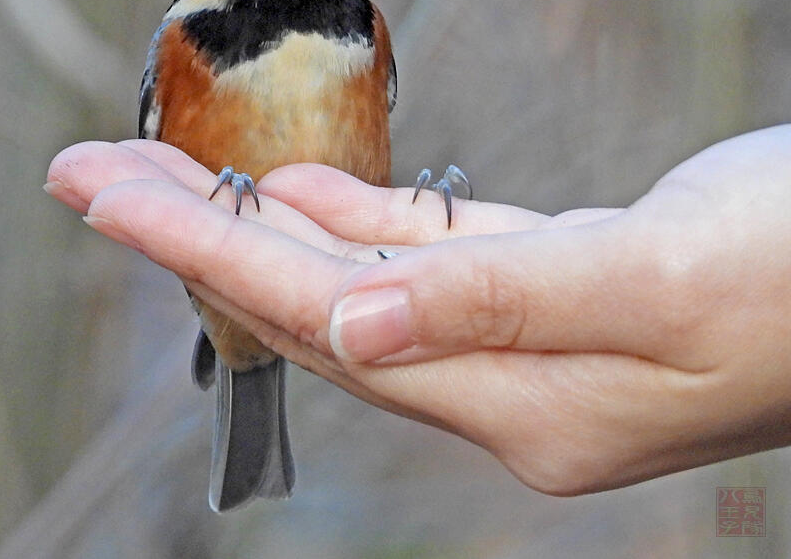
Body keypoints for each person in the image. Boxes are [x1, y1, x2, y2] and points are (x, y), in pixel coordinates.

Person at [45, 124, 791, 495]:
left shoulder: (365, 29)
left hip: (341, 230)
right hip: (258, 234)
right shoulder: (180, 42)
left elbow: (359, 197)